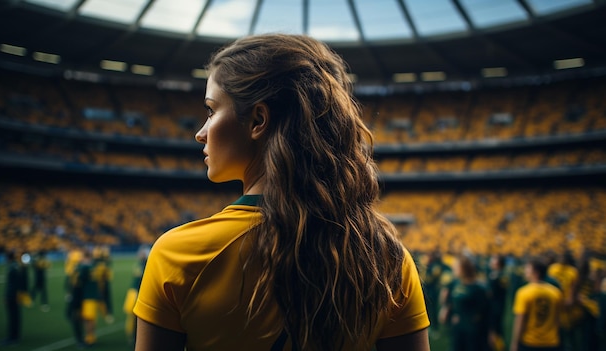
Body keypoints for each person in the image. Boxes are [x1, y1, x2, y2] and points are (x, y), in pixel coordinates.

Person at [133, 34, 430, 351]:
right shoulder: (384, 259)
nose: (200, 133)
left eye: (210, 110)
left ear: (258, 120)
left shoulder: (178, 255)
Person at [510, 257, 563, 351]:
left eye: (528, 269)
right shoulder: (555, 293)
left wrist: (515, 343)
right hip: (551, 343)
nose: (525, 271)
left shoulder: (523, 293)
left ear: (536, 272)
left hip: (530, 343)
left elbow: (520, 321)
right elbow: (557, 319)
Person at [439, 254, 489, 351]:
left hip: (472, 332)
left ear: (465, 268)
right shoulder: (455, 283)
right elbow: (450, 302)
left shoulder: (479, 288)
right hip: (457, 330)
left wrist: (462, 319)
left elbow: (483, 313)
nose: (453, 268)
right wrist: (447, 310)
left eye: (456, 266)